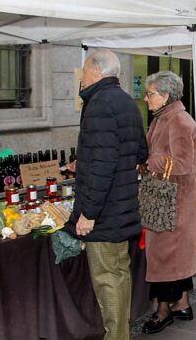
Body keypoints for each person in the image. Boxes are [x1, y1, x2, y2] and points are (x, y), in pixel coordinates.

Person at [65, 49, 147, 340]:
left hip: (106, 212)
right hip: (123, 206)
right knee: (119, 275)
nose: (82, 77)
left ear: (97, 71)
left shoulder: (99, 104)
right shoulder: (127, 102)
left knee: (108, 280)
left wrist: (89, 213)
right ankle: (120, 333)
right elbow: (139, 152)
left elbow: (103, 165)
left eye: (85, 71)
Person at [141, 71, 196, 335]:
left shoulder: (178, 121)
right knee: (174, 257)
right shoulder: (165, 117)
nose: (146, 99)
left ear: (165, 95)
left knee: (164, 258)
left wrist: (149, 161)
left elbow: (184, 164)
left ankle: (163, 312)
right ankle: (183, 304)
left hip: (172, 202)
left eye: (150, 93)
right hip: (170, 199)